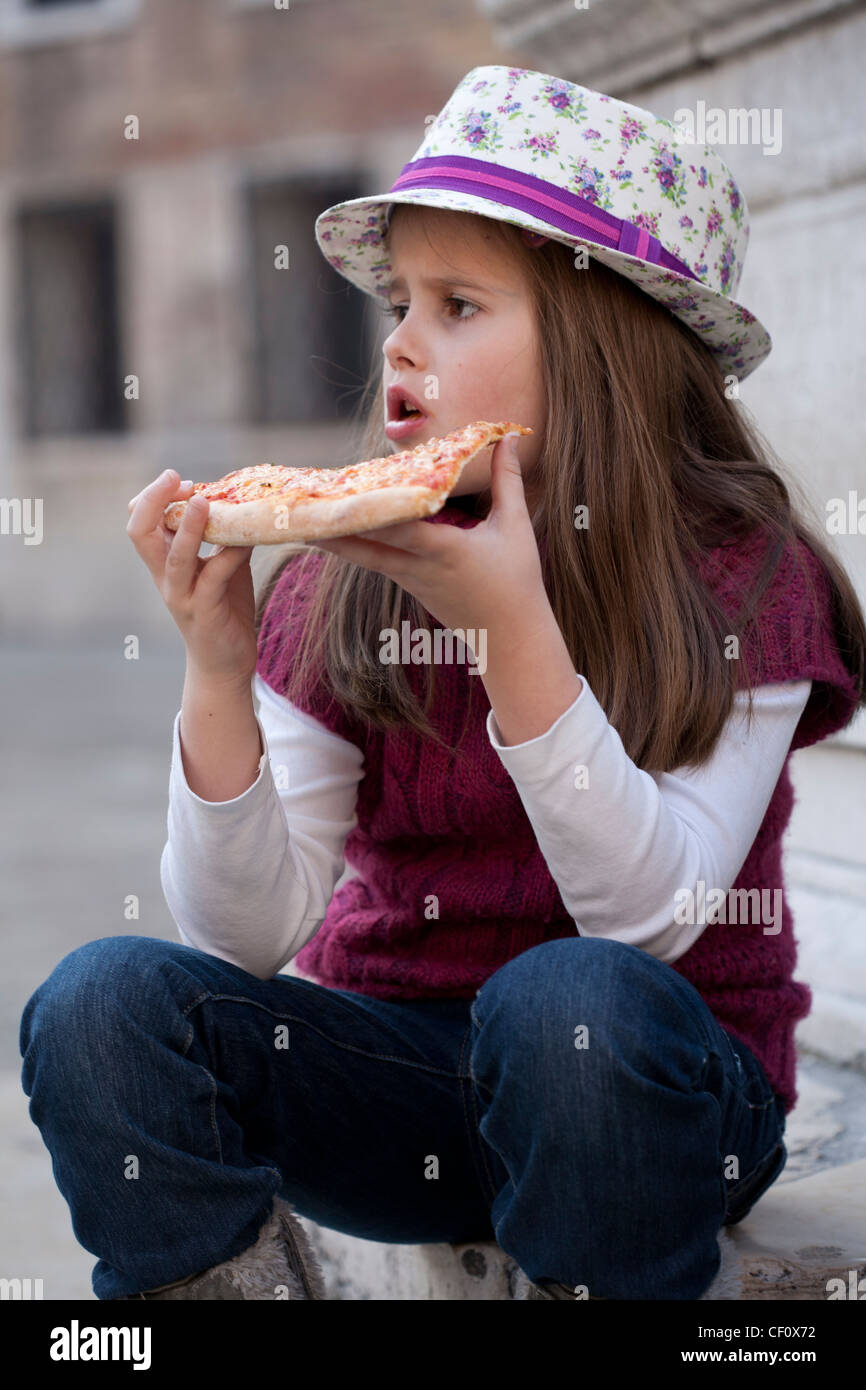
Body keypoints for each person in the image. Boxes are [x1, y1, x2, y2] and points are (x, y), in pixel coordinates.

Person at [20, 65, 866, 1302]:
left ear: (606, 348)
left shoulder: (744, 580)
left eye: (459, 304)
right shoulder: (340, 582)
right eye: (399, 302)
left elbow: (648, 920)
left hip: (657, 1095)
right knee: (103, 998)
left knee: (565, 1002)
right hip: (402, 1086)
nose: (401, 343)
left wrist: (507, 626)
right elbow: (240, 937)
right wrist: (216, 666)